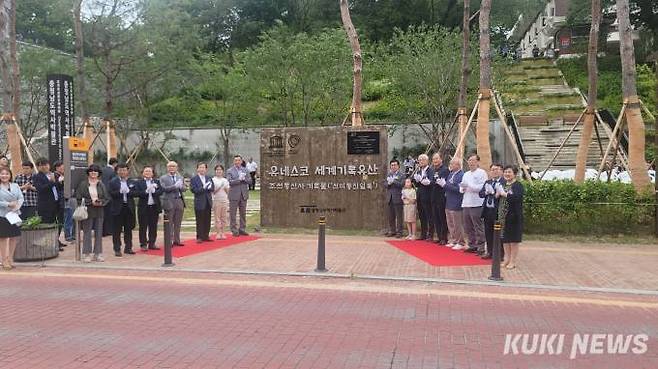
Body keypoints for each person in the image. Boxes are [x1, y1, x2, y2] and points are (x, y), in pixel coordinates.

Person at [76, 165, 109, 262]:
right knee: (87, 233)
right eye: (91, 171)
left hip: (99, 211)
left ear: (99, 173)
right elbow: (79, 198)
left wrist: (101, 202)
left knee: (99, 233)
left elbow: (106, 198)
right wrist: (90, 202)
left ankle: (98, 253)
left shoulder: (101, 184)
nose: (93, 172)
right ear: (88, 173)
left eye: (95, 171)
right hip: (87, 211)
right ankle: (87, 254)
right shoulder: (83, 184)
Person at [33, 158, 66, 250]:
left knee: (56, 224)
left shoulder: (51, 175)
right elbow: (41, 189)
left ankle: (55, 242)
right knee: (47, 225)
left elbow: (56, 187)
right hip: (45, 206)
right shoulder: (37, 176)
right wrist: (52, 182)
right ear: (38, 166)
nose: (45, 167)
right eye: (42, 165)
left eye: (46, 164)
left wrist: (59, 182)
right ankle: (47, 245)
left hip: (56, 204)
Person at [497, 165, 524, 269]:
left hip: (513, 217)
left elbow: (517, 198)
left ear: (514, 174)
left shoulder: (518, 185)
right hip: (502, 216)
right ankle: (506, 259)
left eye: (509, 172)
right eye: (505, 172)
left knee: (513, 240)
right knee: (505, 239)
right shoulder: (502, 184)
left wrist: (505, 194)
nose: (507, 174)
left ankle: (513, 261)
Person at [460, 154, 487, 254]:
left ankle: (481, 246)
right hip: (466, 202)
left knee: (478, 225)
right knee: (468, 226)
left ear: (477, 162)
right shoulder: (466, 174)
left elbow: (481, 188)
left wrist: (469, 186)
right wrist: (462, 188)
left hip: (477, 203)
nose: (470, 162)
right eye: (469, 160)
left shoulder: (482, 173)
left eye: (473, 160)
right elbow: (461, 187)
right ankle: (472, 244)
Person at [108, 163, 137, 256]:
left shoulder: (131, 181)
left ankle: (128, 247)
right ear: (117, 171)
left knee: (128, 229)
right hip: (117, 208)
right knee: (117, 230)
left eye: (124, 170)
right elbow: (111, 193)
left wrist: (129, 192)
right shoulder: (113, 181)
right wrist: (120, 192)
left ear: (127, 171)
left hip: (128, 207)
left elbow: (136, 193)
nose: (122, 172)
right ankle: (117, 248)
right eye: (120, 170)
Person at [479, 163, 505, 260]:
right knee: (488, 232)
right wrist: (486, 192)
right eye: (493, 170)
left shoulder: (504, 182)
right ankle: (489, 251)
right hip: (487, 211)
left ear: (501, 171)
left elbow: (504, 195)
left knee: (498, 233)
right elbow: (480, 194)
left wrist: (495, 192)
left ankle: (500, 253)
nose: (494, 171)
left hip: (498, 211)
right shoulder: (488, 182)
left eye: (497, 169)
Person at [0, 167, 23, 270]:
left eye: (7, 174)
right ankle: (4, 260)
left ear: (10, 175)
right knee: (4, 238)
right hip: (3, 215)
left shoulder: (15, 185)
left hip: (14, 214)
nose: (4, 176)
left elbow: (21, 198)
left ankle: (10, 259)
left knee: (14, 237)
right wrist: (8, 204)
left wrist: (17, 206)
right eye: (2, 174)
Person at [135, 166, 163, 251]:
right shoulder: (139, 182)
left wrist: (154, 191)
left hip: (154, 207)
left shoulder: (156, 181)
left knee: (153, 226)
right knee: (143, 226)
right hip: (144, 207)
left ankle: (152, 243)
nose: (148, 173)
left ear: (152, 173)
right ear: (143, 173)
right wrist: (146, 191)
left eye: (149, 171)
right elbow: (137, 193)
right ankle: (143, 244)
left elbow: (161, 191)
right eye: (146, 171)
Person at [160, 161, 187, 247]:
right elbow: (164, 188)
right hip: (169, 201)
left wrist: (182, 186)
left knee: (178, 222)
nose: (172, 168)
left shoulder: (180, 177)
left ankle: (177, 240)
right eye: (170, 167)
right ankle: (169, 241)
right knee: (169, 222)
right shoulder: (163, 178)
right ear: (167, 168)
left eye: (173, 166)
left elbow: (184, 188)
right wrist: (174, 186)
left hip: (179, 200)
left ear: (176, 168)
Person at [442, 158, 465, 250]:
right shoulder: (451, 174)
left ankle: (461, 242)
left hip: (457, 201)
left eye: (452, 164)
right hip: (448, 201)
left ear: (458, 165)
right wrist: (444, 186)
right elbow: (448, 186)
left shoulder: (462, 175)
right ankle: (454, 239)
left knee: (457, 224)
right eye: (450, 163)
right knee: (450, 222)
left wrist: (445, 185)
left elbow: (459, 190)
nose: (450, 165)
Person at [227, 155, 252, 237]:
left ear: (241, 161)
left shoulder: (245, 170)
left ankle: (242, 229)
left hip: (243, 194)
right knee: (233, 213)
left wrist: (244, 179)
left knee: (243, 213)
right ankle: (234, 230)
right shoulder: (230, 171)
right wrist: (238, 180)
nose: (237, 162)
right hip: (234, 194)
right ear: (234, 162)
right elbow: (230, 181)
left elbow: (250, 181)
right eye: (236, 160)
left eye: (239, 160)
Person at [428, 153, 449, 244]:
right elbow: (432, 181)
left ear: (441, 159)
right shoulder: (432, 170)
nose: (435, 161)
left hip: (441, 197)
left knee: (442, 217)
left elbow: (441, 182)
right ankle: (439, 237)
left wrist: (432, 182)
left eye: (437, 159)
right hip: (433, 196)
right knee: (435, 217)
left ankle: (444, 237)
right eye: (433, 159)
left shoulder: (445, 170)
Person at [190, 162, 214, 243]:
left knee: (207, 219)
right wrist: (203, 188)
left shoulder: (209, 177)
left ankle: (206, 235)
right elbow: (193, 190)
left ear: (206, 169)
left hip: (208, 201)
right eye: (200, 167)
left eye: (203, 167)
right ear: (197, 169)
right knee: (199, 220)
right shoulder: (194, 179)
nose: (202, 169)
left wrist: (209, 187)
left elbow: (212, 187)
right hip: (199, 202)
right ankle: (199, 236)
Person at [412, 154, 432, 240]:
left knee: (429, 215)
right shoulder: (419, 171)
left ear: (427, 161)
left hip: (427, 195)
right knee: (421, 215)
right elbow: (417, 184)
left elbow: (431, 182)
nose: (421, 162)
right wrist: (416, 180)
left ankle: (430, 234)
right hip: (419, 195)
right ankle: (423, 234)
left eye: (423, 160)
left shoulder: (430, 170)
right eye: (420, 160)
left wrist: (424, 181)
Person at [384, 159, 405, 238]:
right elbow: (384, 184)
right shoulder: (389, 174)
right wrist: (388, 183)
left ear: (398, 166)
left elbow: (402, 184)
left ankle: (399, 232)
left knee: (399, 216)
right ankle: (392, 231)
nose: (393, 166)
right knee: (391, 216)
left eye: (395, 165)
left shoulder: (401, 175)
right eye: (392, 165)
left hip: (398, 198)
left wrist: (394, 181)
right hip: (390, 198)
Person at [212, 164, 230, 240]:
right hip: (216, 200)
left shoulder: (225, 180)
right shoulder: (213, 180)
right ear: (215, 171)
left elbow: (228, 191)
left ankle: (223, 232)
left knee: (224, 217)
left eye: (220, 170)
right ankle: (218, 233)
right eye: (217, 170)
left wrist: (225, 188)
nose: (219, 171)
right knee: (217, 217)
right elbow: (213, 192)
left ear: (222, 171)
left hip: (224, 200)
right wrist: (219, 187)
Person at [101, 158, 119, 237]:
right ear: (115, 164)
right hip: (110, 195)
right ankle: (109, 230)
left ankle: (102, 231)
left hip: (101, 193)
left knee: (103, 214)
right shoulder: (113, 172)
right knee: (109, 214)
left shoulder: (102, 169)